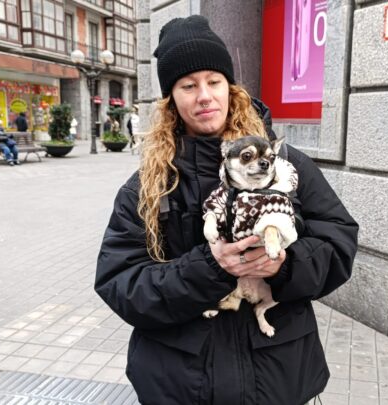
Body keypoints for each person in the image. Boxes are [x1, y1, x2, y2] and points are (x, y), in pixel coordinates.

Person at [94, 15, 358, 405]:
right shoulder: (148, 186)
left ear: (230, 89)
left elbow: (339, 241)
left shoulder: (285, 165)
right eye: (188, 85)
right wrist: (207, 269)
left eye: (214, 81)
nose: (204, 95)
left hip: (279, 377)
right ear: (171, 100)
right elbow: (121, 282)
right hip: (181, 385)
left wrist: (284, 265)